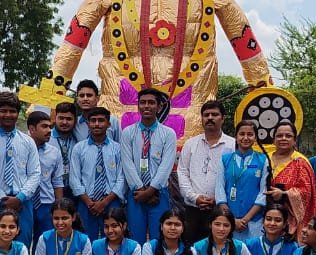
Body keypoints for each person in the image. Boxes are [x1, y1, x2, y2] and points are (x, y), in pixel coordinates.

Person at [0, 91, 41, 249]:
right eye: (3, 111)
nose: (8, 115)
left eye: (12, 111)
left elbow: (35, 173)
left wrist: (19, 198)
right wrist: (3, 199)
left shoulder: (27, 141)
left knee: (22, 246)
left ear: (18, 114)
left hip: (22, 203)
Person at [121, 87, 178, 243]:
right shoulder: (128, 132)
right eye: (143, 103)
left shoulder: (168, 133)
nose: (147, 106)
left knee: (159, 238)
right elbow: (127, 163)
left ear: (159, 107)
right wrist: (140, 190)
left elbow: (166, 166)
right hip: (136, 194)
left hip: (159, 194)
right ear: (138, 106)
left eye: (151, 103)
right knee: (135, 239)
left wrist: (151, 191)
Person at [176, 99, 233, 243]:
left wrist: (218, 198)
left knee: (217, 250)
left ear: (223, 118)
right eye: (206, 115)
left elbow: (235, 177)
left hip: (220, 210)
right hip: (193, 208)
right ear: (201, 118)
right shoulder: (191, 144)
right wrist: (194, 197)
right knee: (191, 250)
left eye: (215, 114)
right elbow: (182, 172)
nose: (210, 118)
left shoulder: (233, 145)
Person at [69, 106, 124, 241]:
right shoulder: (79, 148)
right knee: (86, 241)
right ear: (88, 124)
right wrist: (89, 202)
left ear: (109, 124)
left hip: (111, 200)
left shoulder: (118, 149)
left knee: (113, 239)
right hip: (87, 202)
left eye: (101, 120)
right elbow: (74, 178)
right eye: (93, 121)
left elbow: (122, 178)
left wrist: (104, 202)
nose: (97, 124)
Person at [215, 119, 268, 243]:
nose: (245, 138)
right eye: (242, 134)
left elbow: (263, 192)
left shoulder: (263, 160)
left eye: (250, 134)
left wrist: (245, 219)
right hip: (228, 221)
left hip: (254, 221)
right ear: (236, 136)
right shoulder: (225, 159)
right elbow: (220, 189)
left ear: (255, 137)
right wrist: (232, 219)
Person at [265, 120, 316, 239]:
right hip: (264, 215)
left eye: (288, 136)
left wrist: (284, 194)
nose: (283, 138)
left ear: (295, 140)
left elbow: (307, 193)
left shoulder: (300, 162)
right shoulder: (264, 159)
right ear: (273, 140)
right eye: (279, 135)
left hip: (291, 220)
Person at [28, 109, 65, 243]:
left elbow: (57, 181)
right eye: (44, 126)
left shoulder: (54, 152)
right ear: (32, 129)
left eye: (50, 126)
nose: (49, 130)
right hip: (25, 202)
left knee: (45, 242)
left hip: (46, 203)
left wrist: (59, 207)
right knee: (22, 241)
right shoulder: (21, 148)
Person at [73, 78, 119, 142]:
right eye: (81, 96)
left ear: (97, 99)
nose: (85, 99)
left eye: (89, 95)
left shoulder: (113, 121)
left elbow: (120, 146)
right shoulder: (74, 123)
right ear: (77, 99)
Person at [51, 101, 80, 201]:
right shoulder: (46, 138)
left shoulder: (78, 139)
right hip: (51, 189)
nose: (64, 122)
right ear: (55, 118)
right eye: (61, 118)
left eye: (69, 119)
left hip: (74, 191)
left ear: (75, 121)